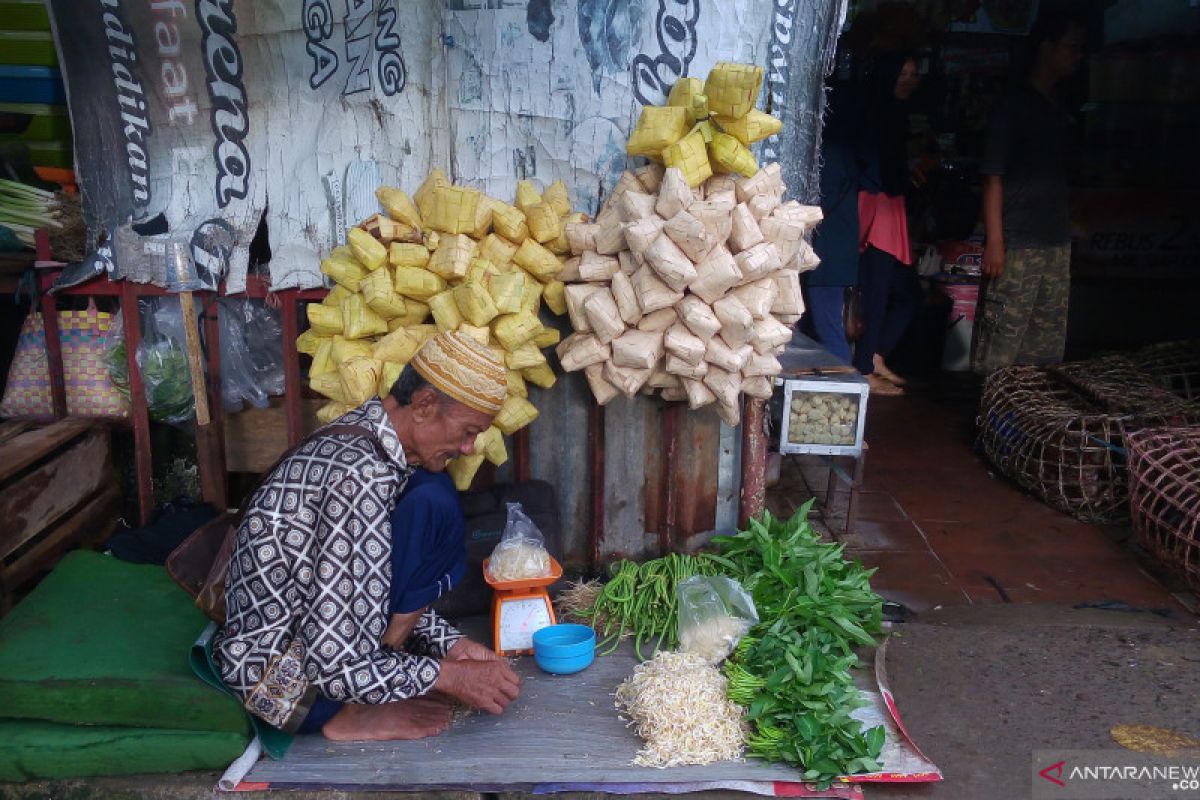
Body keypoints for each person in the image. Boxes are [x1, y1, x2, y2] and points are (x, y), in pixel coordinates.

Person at [213, 330, 521, 741]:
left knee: (433, 492)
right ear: (426, 405)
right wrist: (447, 676)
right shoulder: (360, 479)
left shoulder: (371, 434)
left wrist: (447, 644)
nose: (469, 449)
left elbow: (357, 593)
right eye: (467, 431)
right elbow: (334, 666)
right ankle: (346, 716)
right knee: (435, 502)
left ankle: (372, 690)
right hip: (272, 677)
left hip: (304, 629)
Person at [973, 11, 1084, 373]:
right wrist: (995, 241)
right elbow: (993, 177)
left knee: (1046, 349)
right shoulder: (1013, 105)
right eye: (1071, 47)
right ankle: (989, 420)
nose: (1076, 55)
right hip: (1017, 245)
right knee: (1002, 343)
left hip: (1054, 242)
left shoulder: (1059, 106)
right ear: (1046, 48)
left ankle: (1025, 425)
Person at [853, 53, 925, 395]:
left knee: (903, 293)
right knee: (878, 292)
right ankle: (864, 368)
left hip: (888, 210)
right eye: (903, 72)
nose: (908, 79)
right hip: (877, 209)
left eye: (913, 73)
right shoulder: (880, 113)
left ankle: (875, 356)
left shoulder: (896, 114)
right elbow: (884, 172)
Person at [805, 83, 871, 364]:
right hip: (835, 254)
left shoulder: (829, 155)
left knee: (828, 330)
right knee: (825, 327)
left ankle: (843, 396)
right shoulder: (847, 154)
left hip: (827, 257)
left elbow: (819, 205)